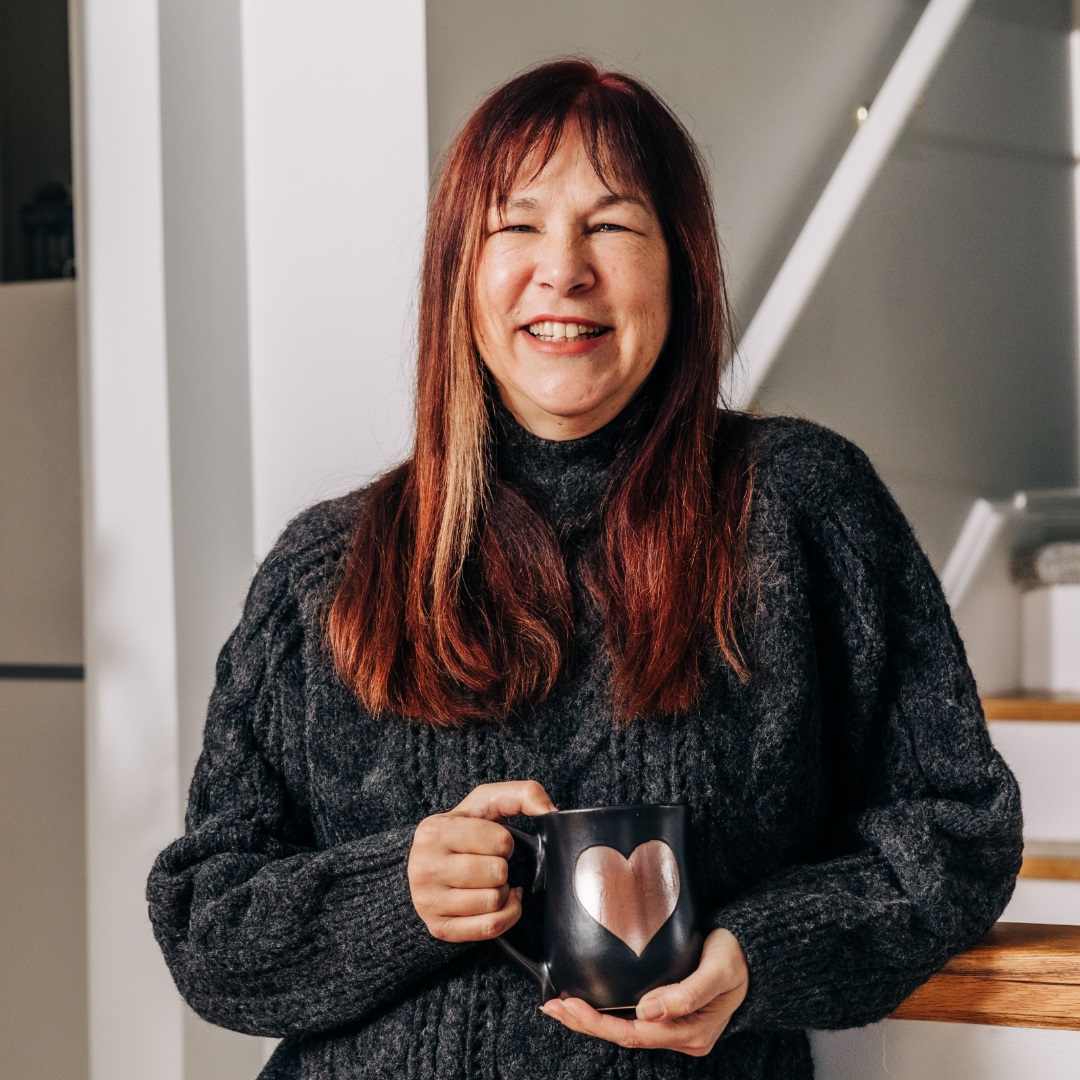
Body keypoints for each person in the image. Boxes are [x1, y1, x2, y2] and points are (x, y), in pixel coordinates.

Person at [147, 59, 1023, 1079]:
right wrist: (400, 894)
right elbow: (207, 923)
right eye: (516, 226)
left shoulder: (800, 508)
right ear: (459, 273)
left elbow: (955, 831)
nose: (563, 269)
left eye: (611, 225)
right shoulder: (327, 565)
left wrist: (759, 959)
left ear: (679, 268)